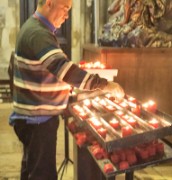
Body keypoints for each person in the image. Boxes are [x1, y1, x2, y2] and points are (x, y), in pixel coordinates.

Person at [9, 0, 125, 179]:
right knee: (42, 174)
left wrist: (71, 94)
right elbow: (64, 70)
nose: (67, 15)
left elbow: (46, 73)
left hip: (31, 118)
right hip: (37, 122)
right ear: (49, 3)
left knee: (31, 169)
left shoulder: (36, 28)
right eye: (65, 8)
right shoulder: (37, 33)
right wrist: (105, 85)